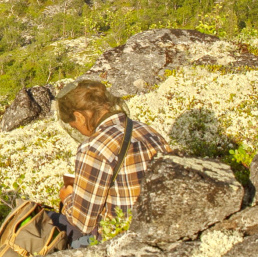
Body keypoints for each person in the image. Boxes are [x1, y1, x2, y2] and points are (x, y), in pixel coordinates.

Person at [49, 78, 169, 245]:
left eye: (74, 124)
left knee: (46, 220)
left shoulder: (93, 148)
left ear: (80, 116)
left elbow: (82, 223)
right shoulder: (147, 130)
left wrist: (68, 197)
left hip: (121, 237)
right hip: (163, 227)